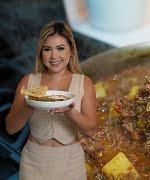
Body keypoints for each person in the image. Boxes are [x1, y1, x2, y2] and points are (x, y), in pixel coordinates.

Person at [5, 21, 97, 180]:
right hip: (34, 161)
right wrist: (30, 103)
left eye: (61, 48)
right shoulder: (28, 82)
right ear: (41, 53)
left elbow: (91, 131)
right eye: (47, 49)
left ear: (71, 51)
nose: (54, 56)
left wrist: (70, 111)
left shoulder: (84, 82)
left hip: (71, 161)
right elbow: (11, 128)